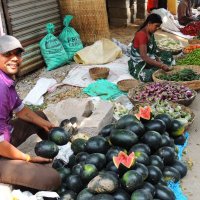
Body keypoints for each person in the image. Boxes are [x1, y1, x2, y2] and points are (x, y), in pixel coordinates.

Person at [0, 35, 61, 191]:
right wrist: (27, 159)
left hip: (4, 136)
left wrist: (44, 124)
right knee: (51, 179)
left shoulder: (5, 80)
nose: (14, 59)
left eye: (17, 54)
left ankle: (58, 153)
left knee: (38, 116)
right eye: (7, 54)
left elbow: (21, 110)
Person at [128, 13, 173, 82]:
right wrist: (161, 65)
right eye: (156, 26)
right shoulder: (141, 35)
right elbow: (144, 57)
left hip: (149, 57)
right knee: (149, 76)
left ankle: (156, 66)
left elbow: (153, 50)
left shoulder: (150, 32)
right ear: (149, 23)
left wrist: (158, 60)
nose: (157, 28)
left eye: (159, 26)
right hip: (139, 62)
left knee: (168, 55)